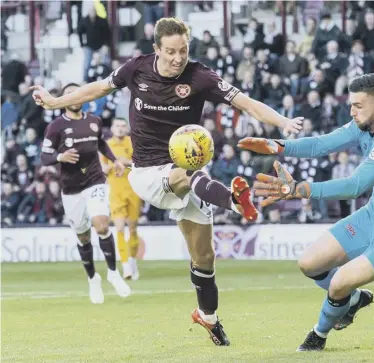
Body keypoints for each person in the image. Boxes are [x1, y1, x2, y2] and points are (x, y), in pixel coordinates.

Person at [31, 17, 302, 346]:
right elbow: (100, 87)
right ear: (156, 49)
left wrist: (283, 121)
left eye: (183, 51)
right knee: (186, 174)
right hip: (147, 173)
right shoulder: (136, 69)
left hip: (188, 173)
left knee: (204, 256)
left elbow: (245, 103)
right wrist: (56, 102)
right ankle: (232, 200)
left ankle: (208, 318)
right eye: (171, 51)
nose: (178, 58)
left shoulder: (200, 76)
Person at [238, 73, 374, 351]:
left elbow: (354, 185)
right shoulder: (364, 125)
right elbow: (321, 144)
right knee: (309, 263)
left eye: (357, 105)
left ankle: (318, 335)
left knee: (339, 282)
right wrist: (277, 146)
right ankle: (353, 301)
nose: (351, 111)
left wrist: (299, 189)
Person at [40, 83, 131, 304]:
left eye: (78, 92)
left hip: (95, 181)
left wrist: (115, 160)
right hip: (71, 188)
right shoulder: (55, 126)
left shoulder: (94, 121)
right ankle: (93, 279)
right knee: (83, 237)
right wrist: (60, 157)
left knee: (101, 225)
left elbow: (101, 144)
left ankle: (113, 273)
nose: (75, 97)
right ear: (62, 99)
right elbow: (44, 158)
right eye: (69, 94)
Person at [101, 117, 141, 280]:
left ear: (127, 129)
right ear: (112, 128)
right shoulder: (106, 145)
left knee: (132, 228)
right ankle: (125, 266)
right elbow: (102, 168)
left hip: (133, 189)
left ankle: (132, 260)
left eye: (123, 126)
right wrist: (115, 164)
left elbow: (141, 164)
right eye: (117, 125)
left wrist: (127, 162)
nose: (120, 128)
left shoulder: (133, 143)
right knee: (119, 228)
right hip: (115, 190)